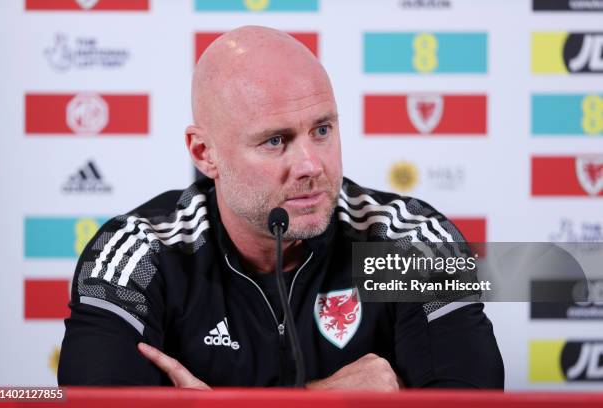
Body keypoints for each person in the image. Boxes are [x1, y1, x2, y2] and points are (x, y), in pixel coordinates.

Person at [57, 26, 504, 389]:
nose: (311, 165)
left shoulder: (404, 241)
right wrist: (323, 401)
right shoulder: (141, 254)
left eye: (323, 130)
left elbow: (471, 399)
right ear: (204, 152)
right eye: (276, 140)